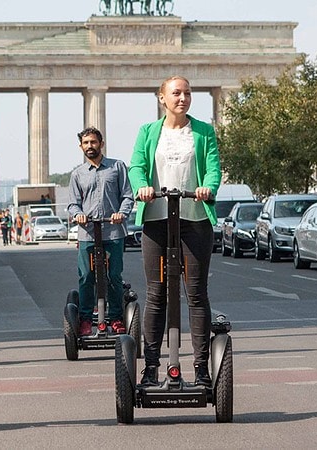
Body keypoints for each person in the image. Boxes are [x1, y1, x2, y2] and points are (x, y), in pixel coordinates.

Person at [128, 76, 221, 388]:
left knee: (195, 293)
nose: (183, 98)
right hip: (157, 218)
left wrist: (208, 187)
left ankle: (202, 369)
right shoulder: (147, 132)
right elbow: (137, 166)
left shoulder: (204, 132)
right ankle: (151, 367)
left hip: (194, 218)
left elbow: (213, 168)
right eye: (176, 93)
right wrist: (142, 186)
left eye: (188, 93)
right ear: (162, 98)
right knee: (156, 294)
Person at [68, 127, 134, 336]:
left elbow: (127, 196)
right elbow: (72, 204)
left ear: (101, 144)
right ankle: (86, 319)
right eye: (86, 143)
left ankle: (115, 317)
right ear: (81, 146)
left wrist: (121, 213)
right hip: (87, 233)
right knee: (86, 276)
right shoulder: (77, 174)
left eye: (93, 142)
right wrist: (78, 214)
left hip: (113, 232)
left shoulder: (117, 167)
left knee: (113, 275)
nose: (90, 146)